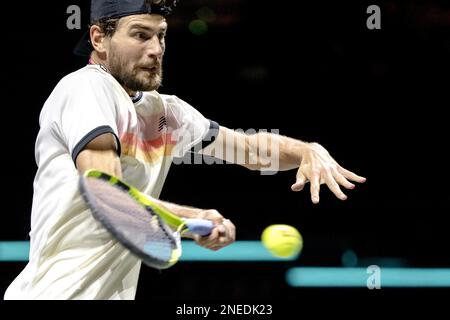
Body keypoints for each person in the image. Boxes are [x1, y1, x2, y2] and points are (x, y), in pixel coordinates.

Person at [4, 0, 366, 300]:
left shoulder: (164, 111)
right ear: (99, 37)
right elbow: (104, 189)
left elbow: (251, 149)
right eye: (140, 35)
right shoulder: (84, 89)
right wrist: (192, 219)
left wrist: (307, 151)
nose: (155, 50)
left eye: (161, 36)